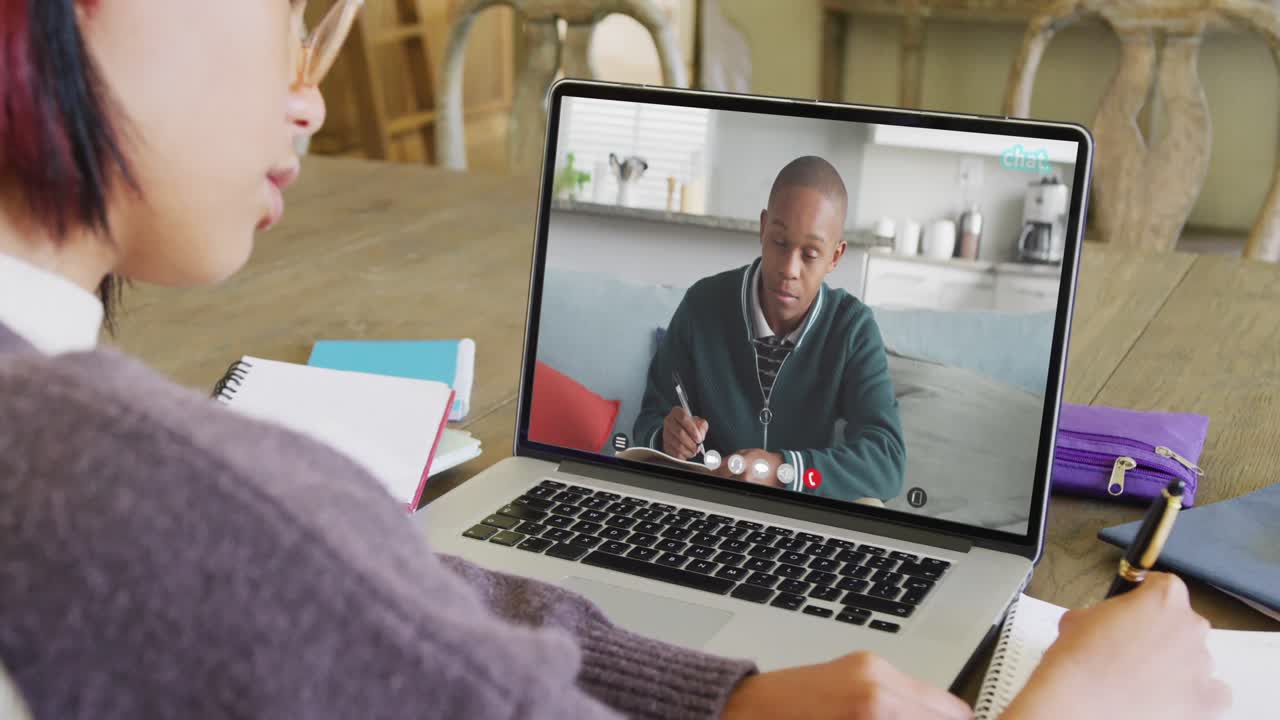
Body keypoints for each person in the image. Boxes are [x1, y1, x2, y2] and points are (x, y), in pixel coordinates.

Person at [0, 2, 1230, 719]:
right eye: (283, 9)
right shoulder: (165, 499)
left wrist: (730, 689)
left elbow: (402, 609)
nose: (309, 89)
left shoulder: (852, 331)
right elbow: (630, 441)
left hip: (804, 529)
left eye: (819, 253)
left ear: (835, 255)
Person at [633, 157, 905, 502]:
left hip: (803, 516)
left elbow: (886, 463)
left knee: (871, 505)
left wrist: (781, 471)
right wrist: (664, 437)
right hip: (705, 508)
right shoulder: (702, 305)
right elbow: (646, 425)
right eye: (779, 243)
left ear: (835, 257)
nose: (789, 269)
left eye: (810, 254)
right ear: (763, 228)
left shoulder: (852, 329)